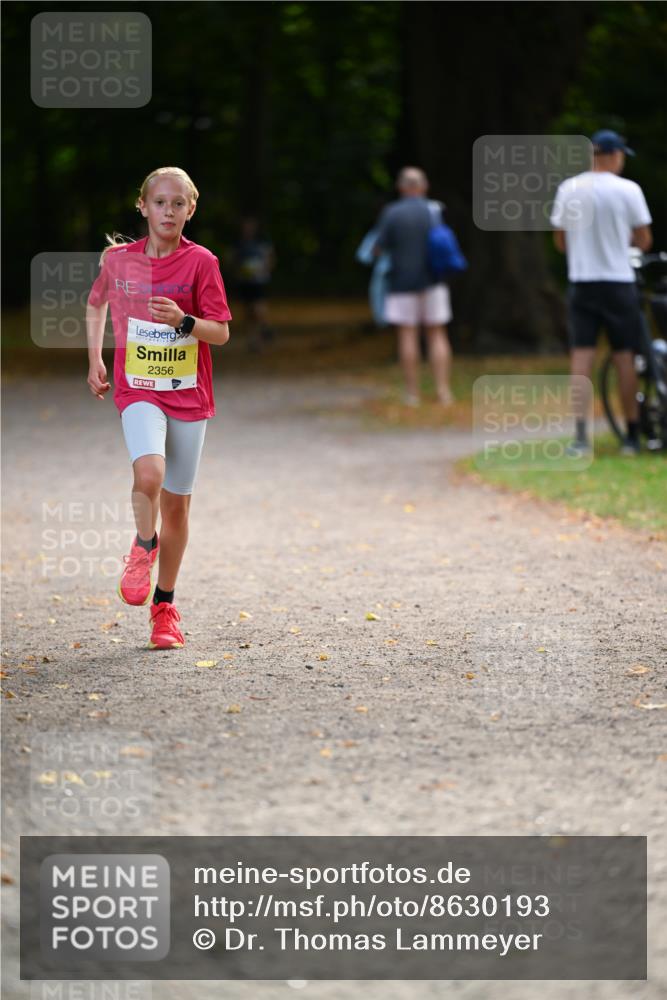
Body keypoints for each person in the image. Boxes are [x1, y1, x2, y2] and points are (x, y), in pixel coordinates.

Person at [86, 166, 232, 649]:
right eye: (159, 202)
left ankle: (164, 607)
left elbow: (222, 332)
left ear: (191, 209)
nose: (168, 211)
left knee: (177, 506)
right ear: (142, 206)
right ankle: (143, 544)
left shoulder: (202, 262)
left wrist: (186, 321)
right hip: (138, 387)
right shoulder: (119, 261)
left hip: (188, 394)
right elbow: (96, 305)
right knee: (148, 473)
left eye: (177, 204)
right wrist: (95, 360)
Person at [550, 129, 653, 456]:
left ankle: (580, 438)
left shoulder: (569, 188)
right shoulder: (628, 190)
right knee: (625, 357)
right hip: (617, 281)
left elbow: (560, 240)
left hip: (582, 281)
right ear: (614, 155)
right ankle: (632, 436)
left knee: (581, 358)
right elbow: (643, 239)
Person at [374, 167, 454, 407]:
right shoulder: (434, 210)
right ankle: (443, 391)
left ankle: (412, 393)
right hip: (433, 280)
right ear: (423, 186)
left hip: (401, 282)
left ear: (401, 187)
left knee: (407, 334)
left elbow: (378, 248)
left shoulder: (391, 213)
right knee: (437, 333)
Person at [232, 216, 275, 352]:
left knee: (258, 306)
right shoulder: (239, 244)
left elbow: (270, 258)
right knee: (248, 312)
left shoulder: (262, 242)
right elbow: (233, 260)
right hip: (245, 281)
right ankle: (253, 340)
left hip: (258, 280)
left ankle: (265, 326)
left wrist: (264, 270)